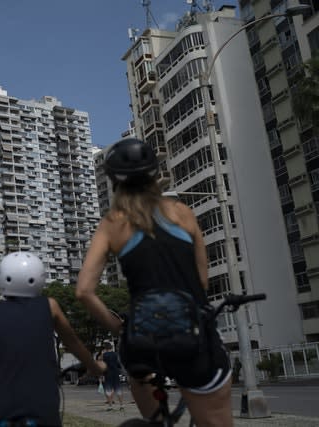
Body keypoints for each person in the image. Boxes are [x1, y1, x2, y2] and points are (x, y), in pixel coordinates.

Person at [75, 138, 232, 427]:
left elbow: (84, 290)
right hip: (193, 336)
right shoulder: (181, 213)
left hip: (142, 343)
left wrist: (119, 328)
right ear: (154, 174)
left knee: (149, 407)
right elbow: (202, 280)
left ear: (113, 181)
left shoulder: (112, 223)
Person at [0, 252, 106, 427]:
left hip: (3, 403)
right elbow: (73, 342)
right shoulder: (50, 305)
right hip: (41, 403)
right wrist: (95, 367)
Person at [101, 341, 124, 411]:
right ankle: (122, 405)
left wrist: (102, 375)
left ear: (105, 348)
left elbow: (103, 366)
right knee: (118, 389)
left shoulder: (104, 355)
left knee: (108, 390)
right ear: (111, 347)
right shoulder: (116, 354)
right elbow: (119, 364)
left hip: (108, 373)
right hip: (116, 373)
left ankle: (110, 406)